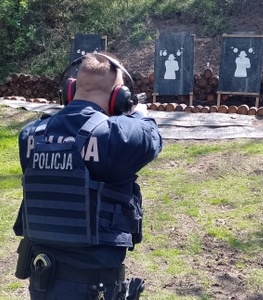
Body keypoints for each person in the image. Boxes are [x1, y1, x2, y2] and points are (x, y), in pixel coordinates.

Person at [13, 52, 163, 300]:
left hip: (42, 280)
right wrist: (136, 111)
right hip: (95, 286)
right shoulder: (115, 136)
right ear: (119, 98)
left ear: (70, 91)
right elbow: (150, 135)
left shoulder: (31, 134)